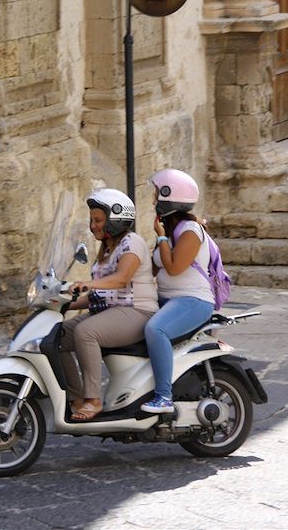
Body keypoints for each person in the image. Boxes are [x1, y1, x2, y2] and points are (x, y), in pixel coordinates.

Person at [60, 188, 159, 421]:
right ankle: (75, 398)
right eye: (91, 220)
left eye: (98, 220)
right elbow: (101, 294)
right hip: (111, 311)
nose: (93, 225)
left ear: (115, 220)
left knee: (86, 332)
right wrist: (62, 304)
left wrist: (87, 283)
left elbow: (121, 279)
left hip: (137, 311)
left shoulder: (131, 243)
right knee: (58, 335)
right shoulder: (105, 248)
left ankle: (93, 400)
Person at [141, 169, 215, 414]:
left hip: (192, 301)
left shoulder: (191, 232)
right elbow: (152, 268)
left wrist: (161, 238)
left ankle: (163, 397)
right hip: (167, 300)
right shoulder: (170, 231)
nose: (153, 201)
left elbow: (173, 268)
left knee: (156, 328)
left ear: (168, 198)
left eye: (156, 195)